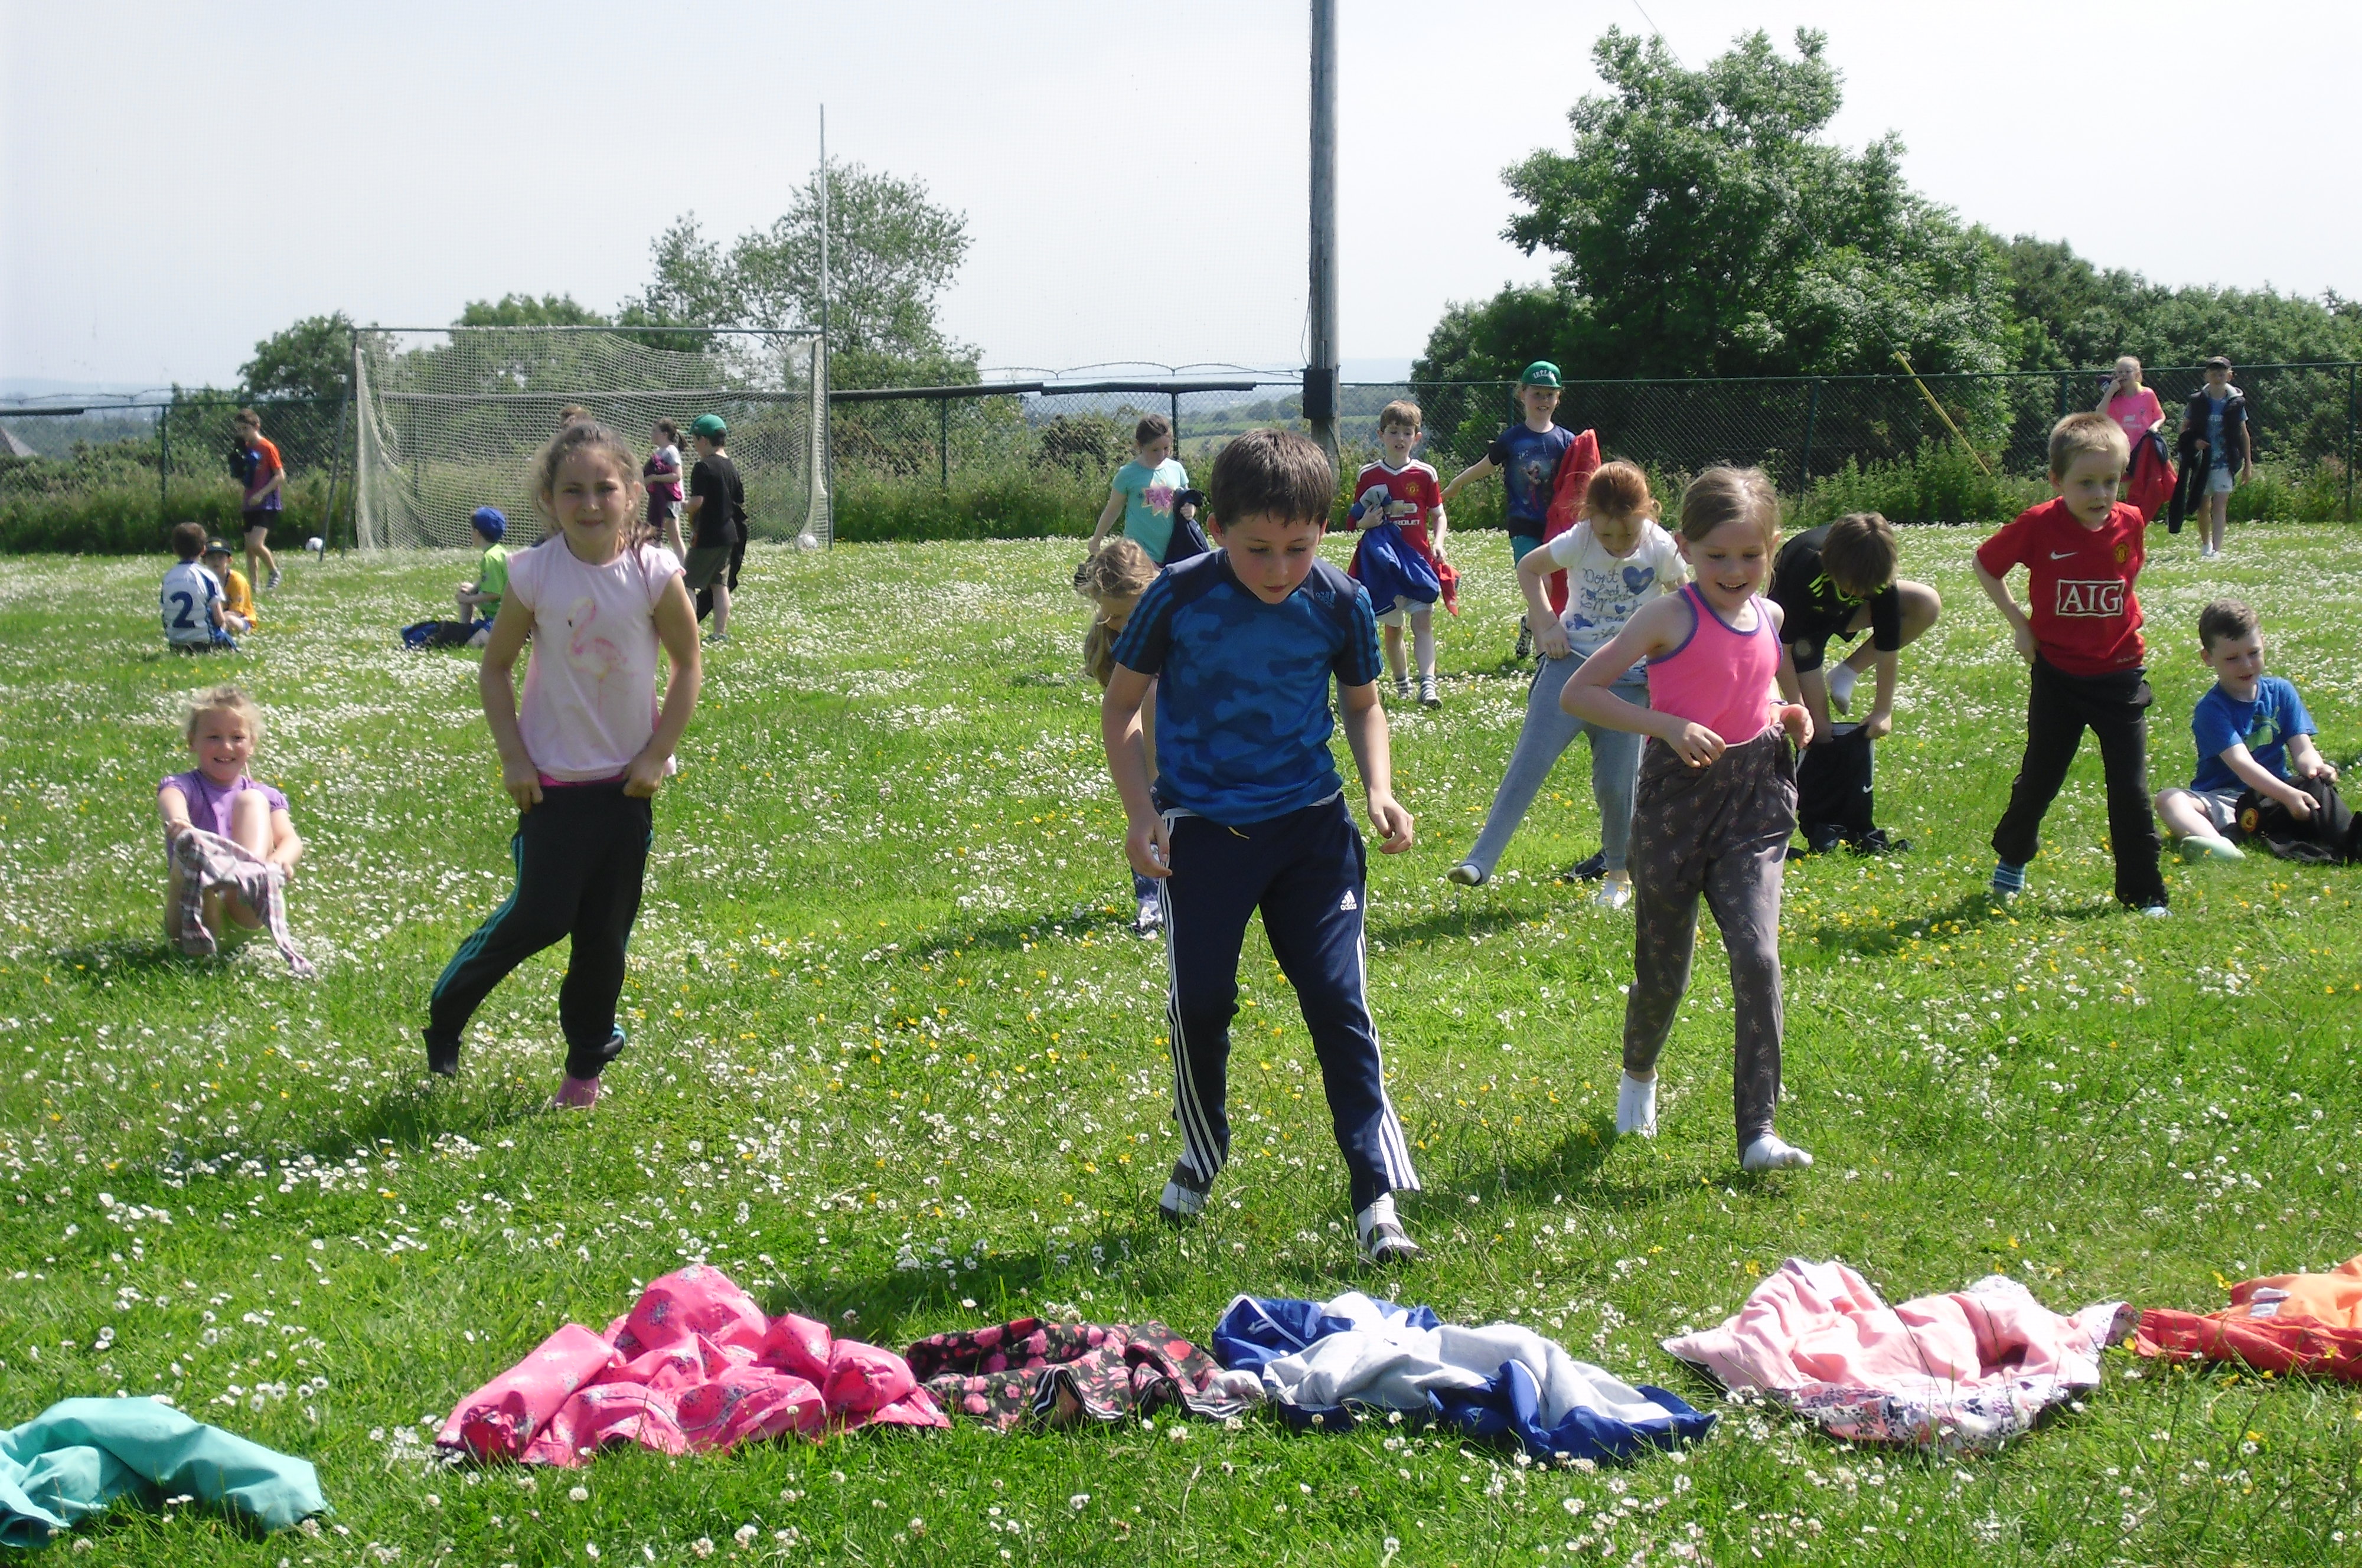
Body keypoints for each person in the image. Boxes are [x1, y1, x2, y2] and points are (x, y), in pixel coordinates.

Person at [1101, 427, 1423, 1263]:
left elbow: (1362, 703)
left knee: (1339, 1000)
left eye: (1298, 548)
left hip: (1311, 831)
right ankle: (1202, 1149)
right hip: (1203, 835)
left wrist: (1379, 789)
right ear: (1218, 528)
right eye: (1257, 549)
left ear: (1324, 532)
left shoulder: (1341, 600)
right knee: (1199, 1003)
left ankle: (1375, 1192)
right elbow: (1122, 707)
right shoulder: (1176, 596)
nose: (1280, 569)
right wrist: (1140, 812)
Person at [423, 420, 702, 1109]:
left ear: (630, 492)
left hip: (626, 790)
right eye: (572, 490)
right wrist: (514, 757)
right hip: (549, 788)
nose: (590, 503)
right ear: (547, 500)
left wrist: (657, 753)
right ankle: (447, 1016)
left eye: (604, 488)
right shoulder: (534, 573)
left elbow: (688, 663)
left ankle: (583, 1074)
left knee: (603, 940)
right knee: (541, 917)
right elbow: (496, 668)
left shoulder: (654, 572)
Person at [1561, 466, 1816, 1174]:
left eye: (1750, 555)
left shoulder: (1771, 618)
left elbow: (1758, 690)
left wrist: (1785, 715)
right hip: (1676, 802)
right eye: (1716, 555)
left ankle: (1757, 1131)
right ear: (1684, 547)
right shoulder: (1667, 617)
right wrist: (1665, 725)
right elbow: (1580, 692)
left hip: (1754, 801)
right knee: (1663, 970)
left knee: (1758, 958)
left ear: (1772, 547)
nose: (1734, 571)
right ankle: (1637, 1075)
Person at [1450, 462, 1684, 908]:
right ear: (1589, 517)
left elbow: (1683, 602)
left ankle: (1619, 876)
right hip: (1569, 666)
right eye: (1607, 534)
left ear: (1647, 513)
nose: (1617, 545)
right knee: (1529, 763)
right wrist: (1546, 622)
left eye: (1628, 534)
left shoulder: (1661, 548)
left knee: (1618, 785)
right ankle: (1479, 862)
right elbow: (1529, 568)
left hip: (1629, 681)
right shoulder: (1580, 539)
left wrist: (1665, 663)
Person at [1975, 411, 2167, 914]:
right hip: (2058, 676)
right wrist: (2021, 625)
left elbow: (2128, 575)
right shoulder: (2039, 524)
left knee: (2130, 788)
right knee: (2040, 778)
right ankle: (2013, 856)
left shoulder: (2131, 522)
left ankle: (2144, 893)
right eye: (2086, 483)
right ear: (2057, 480)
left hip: (2120, 675)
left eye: (2111, 481)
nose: (2100, 494)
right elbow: (1986, 564)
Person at [2154, 599, 2336, 864]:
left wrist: (2316, 769)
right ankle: (2220, 847)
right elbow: (2242, 765)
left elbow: (2303, 749)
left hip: (2274, 794)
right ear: (2208, 658)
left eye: (2253, 653)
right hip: (2225, 798)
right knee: (2169, 799)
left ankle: (2240, 831)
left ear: (2264, 644)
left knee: (2315, 789)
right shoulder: (2211, 709)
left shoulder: (2281, 691)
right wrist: (2287, 795)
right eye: (2232, 659)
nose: (2247, 665)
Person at [1767, 513, 1941, 743]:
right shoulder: (1804, 570)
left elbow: (1888, 644)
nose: (1861, 593)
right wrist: (1798, 709)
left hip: (1844, 614)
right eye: (1853, 587)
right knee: (1819, 733)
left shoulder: (1875, 573)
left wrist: (1883, 710)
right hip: (1804, 633)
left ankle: (1846, 672)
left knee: (1927, 603)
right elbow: (1781, 648)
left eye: (1867, 590)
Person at [1441, 361, 1574, 659]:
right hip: (1523, 524)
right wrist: (1456, 484)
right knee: (1542, 583)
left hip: (1555, 525)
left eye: (1549, 395)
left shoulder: (1567, 440)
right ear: (1522, 394)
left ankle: (1529, 624)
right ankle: (1543, 659)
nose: (1543, 401)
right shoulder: (1512, 439)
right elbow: (1485, 466)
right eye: (1537, 394)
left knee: (1552, 590)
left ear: (1558, 398)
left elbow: (1580, 480)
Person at [158, 684, 302, 950]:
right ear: (192, 741)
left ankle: (250, 874)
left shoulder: (265, 796)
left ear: (252, 744)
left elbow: (290, 840)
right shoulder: (183, 786)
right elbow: (171, 799)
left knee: (252, 800)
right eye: (214, 737)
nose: (226, 747)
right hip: (194, 911)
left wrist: (279, 862)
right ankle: (200, 942)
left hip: (244, 907)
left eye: (237, 738)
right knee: (189, 854)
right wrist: (181, 823)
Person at [1075, 537, 1165, 933]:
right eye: (1109, 615)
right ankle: (1151, 899)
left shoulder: (1176, 622)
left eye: (1126, 614)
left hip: (1175, 737)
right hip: (1142, 736)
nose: (1116, 623)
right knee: (1147, 808)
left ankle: (1168, 892)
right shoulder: (1114, 636)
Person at [1346, 399, 1453, 707]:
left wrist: (1439, 542)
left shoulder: (1426, 474)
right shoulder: (1368, 475)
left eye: (1407, 432)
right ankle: (1402, 683)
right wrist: (1364, 523)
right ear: (1381, 435)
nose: (1400, 439)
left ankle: (1428, 686)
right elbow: (1354, 519)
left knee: (1423, 622)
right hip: (1384, 565)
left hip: (1417, 563)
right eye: (1393, 432)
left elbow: (1439, 515)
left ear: (1417, 437)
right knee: (1394, 630)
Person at [2171, 357, 2253, 560]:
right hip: (2202, 462)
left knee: (2220, 504)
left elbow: (2243, 433)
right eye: (2214, 372)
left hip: (2225, 461)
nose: (2218, 376)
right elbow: (2185, 429)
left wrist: (2248, 464)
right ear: (2206, 376)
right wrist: (2193, 443)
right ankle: (2206, 545)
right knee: (2203, 505)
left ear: (2230, 376)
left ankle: (2217, 549)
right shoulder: (2198, 401)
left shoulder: (2236, 402)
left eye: (2222, 373)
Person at [1086, 415, 1190, 564]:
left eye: (1166, 448)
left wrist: (1191, 509)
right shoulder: (1128, 474)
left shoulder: (1176, 469)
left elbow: (1187, 499)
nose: (1162, 455)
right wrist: (1096, 540)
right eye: (1155, 450)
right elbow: (1112, 510)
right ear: (1139, 445)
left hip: (1173, 552)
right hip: (1137, 554)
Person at [683, 413, 744, 645]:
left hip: (708, 534)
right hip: (729, 534)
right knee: (720, 585)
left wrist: (681, 506)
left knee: (687, 583)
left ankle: (689, 633)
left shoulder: (703, 466)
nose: (694, 445)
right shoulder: (731, 466)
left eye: (695, 440)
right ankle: (720, 633)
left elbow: (697, 502)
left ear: (704, 440)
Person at [229, 409, 283, 593]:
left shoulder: (267, 447)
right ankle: (254, 587)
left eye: (245, 429)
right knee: (249, 550)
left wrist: (261, 493)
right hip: (249, 503)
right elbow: (245, 475)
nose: (242, 433)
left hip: (266, 503)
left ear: (256, 426)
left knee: (256, 544)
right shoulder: (244, 448)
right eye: (239, 430)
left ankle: (274, 572)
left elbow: (280, 476)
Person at [160, 521, 230, 651]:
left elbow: (165, 613)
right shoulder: (208, 576)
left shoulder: (168, 577)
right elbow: (219, 620)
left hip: (176, 643)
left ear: (175, 550)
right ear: (204, 550)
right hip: (204, 643)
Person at [454, 506, 510, 642]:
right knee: (465, 588)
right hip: (499, 614)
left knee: (473, 644)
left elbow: (494, 594)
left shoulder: (490, 558)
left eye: (471, 529)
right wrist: (472, 590)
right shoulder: (499, 551)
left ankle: (468, 633)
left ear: (477, 533)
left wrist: (467, 600)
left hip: (502, 619)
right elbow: (489, 580)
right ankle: (464, 628)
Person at [644, 420, 687, 558]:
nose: (651, 434)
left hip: (669, 500)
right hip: (660, 499)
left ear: (665, 434)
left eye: (655, 431)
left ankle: (682, 568)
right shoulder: (659, 451)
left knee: (658, 534)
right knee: (669, 536)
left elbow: (677, 476)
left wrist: (654, 478)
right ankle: (682, 566)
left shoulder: (671, 451)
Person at [202, 538, 257, 635]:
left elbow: (236, 613)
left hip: (241, 619)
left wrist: (213, 619)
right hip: (215, 618)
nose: (216, 561)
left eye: (221, 557)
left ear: (229, 560)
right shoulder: (202, 579)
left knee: (231, 621)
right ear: (204, 561)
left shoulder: (237, 580)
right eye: (211, 557)